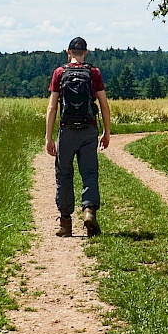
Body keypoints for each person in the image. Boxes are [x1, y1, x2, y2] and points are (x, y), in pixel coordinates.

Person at [45, 37, 111, 237]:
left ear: (68, 52)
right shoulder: (93, 73)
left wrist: (48, 137)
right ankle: (89, 211)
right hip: (88, 130)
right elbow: (104, 105)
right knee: (89, 173)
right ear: (86, 52)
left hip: (66, 131)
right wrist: (107, 132)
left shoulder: (60, 73)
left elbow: (52, 107)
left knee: (64, 175)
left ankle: (65, 223)